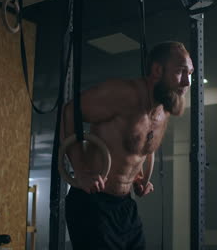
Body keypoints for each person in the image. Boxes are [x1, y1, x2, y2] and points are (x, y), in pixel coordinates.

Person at [61, 41, 193, 250]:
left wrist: (140, 177)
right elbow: (70, 112)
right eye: (180, 72)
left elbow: (142, 144)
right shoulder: (124, 95)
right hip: (92, 202)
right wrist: (80, 172)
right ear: (158, 70)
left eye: (191, 73)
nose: (187, 81)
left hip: (124, 205)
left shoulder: (163, 109)